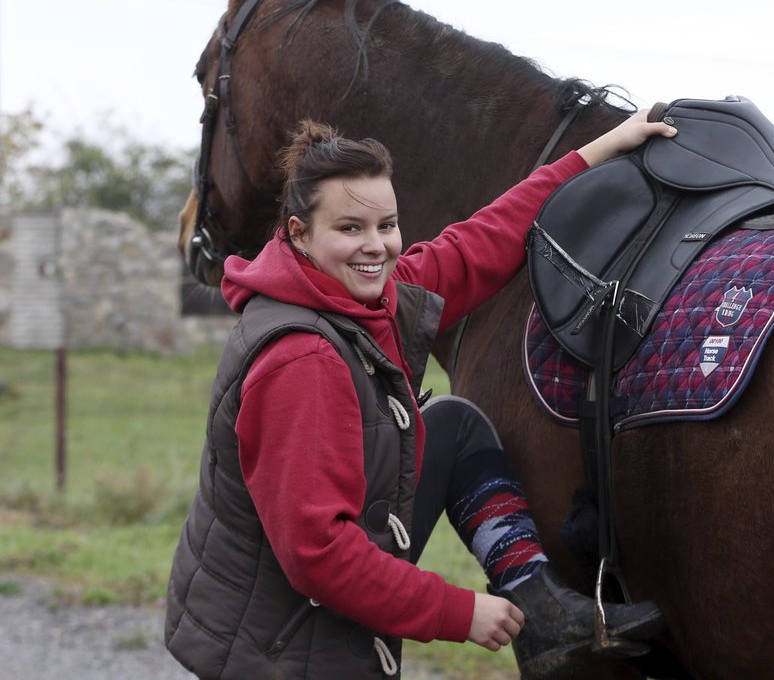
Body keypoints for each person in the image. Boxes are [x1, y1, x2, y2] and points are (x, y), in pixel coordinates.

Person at [164, 110, 677, 679]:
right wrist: (459, 612)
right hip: (280, 646)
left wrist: (608, 144)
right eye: (350, 228)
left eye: (386, 225)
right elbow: (318, 557)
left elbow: (480, 241)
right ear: (298, 233)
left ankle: (541, 606)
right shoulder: (300, 360)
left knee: (452, 427)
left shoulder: (368, 298)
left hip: (299, 607)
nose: (375, 246)